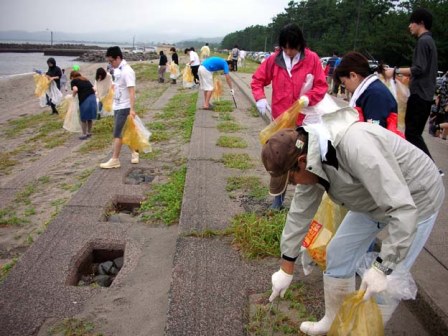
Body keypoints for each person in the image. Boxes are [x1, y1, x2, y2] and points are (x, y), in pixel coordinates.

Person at [262, 110, 444, 335]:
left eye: (290, 179)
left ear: (301, 162)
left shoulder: (356, 148)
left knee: (387, 281)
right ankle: (334, 320)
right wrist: (286, 268)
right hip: (370, 199)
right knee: (338, 252)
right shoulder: (312, 161)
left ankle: (364, 331)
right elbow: (299, 214)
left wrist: (382, 266)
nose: (292, 185)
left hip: (416, 197)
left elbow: (402, 207)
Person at [251, 23, 327, 209]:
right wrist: (260, 98)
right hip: (281, 121)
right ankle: (277, 201)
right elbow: (257, 80)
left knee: (306, 159)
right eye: (285, 47)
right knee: (279, 157)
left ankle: (307, 204)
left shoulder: (312, 59)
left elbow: (321, 85)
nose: (288, 51)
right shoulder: (274, 60)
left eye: (292, 48)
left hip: (305, 121)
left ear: (300, 44)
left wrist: (308, 98)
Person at [385, 8, 438, 162]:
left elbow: (419, 69)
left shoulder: (423, 41)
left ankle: (430, 167)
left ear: (420, 23)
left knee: (412, 134)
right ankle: (427, 167)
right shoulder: (430, 42)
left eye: (412, 22)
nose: (409, 26)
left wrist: (394, 71)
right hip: (426, 95)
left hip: (420, 95)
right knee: (414, 134)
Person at [333, 51, 398, 128]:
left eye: (344, 83)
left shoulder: (374, 95)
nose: (346, 88)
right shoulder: (370, 90)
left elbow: (374, 132)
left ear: (353, 76)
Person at [100, 46, 139, 169]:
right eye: (109, 62)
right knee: (124, 132)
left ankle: (115, 159)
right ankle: (134, 152)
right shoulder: (117, 69)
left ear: (118, 58)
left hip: (124, 106)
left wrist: (132, 109)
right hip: (117, 105)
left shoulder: (127, 71)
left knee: (117, 133)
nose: (110, 64)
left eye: (111, 61)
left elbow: (132, 92)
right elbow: (116, 86)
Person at [70, 71, 97, 140]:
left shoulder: (74, 81)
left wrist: (72, 96)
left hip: (85, 99)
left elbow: (75, 89)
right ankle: (89, 132)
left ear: (72, 77)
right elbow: (94, 89)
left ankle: (84, 134)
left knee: (83, 118)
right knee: (89, 117)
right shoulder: (85, 79)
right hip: (93, 98)